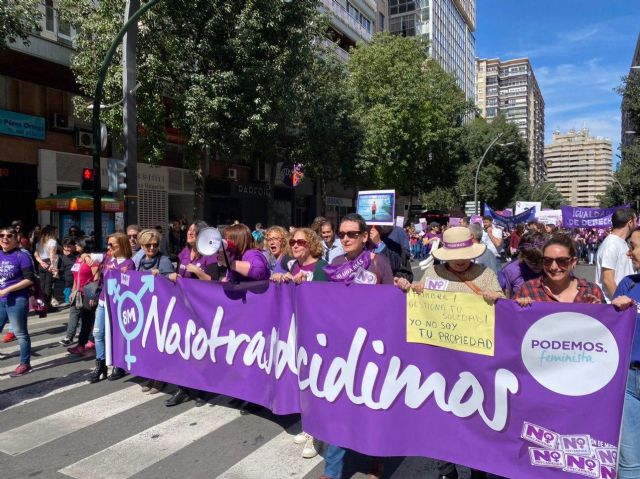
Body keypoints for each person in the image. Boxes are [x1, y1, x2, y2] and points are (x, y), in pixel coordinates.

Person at [319, 213, 410, 479]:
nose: (345, 238)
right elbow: (325, 303)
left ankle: (376, 463)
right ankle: (332, 471)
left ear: (363, 236)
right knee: (339, 408)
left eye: (352, 234)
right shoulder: (335, 262)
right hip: (342, 349)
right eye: (342, 234)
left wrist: (401, 286)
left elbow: (390, 306)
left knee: (372, 409)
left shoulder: (378, 262)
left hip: (373, 349)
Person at [411, 226, 503, 479]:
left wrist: (496, 298)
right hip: (439, 362)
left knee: (476, 420)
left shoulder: (484, 274)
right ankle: (446, 470)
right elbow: (420, 306)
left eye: (465, 256)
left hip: (476, 362)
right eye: (454, 258)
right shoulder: (433, 272)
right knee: (441, 419)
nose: (461, 262)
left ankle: (478, 469)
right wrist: (415, 289)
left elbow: (504, 310)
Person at [271, 227, 328, 459]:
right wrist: (279, 278)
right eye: (292, 241)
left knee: (317, 382)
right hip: (298, 332)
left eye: (300, 242)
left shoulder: (323, 268)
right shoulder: (292, 266)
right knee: (303, 380)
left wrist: (308, 287)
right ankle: (308, 426)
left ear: (311, 244)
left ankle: (319, 434)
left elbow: (330, 301)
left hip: (319, 335)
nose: (294, 245)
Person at [163, 221, 219, 405]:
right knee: (184, 346)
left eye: (195, 231)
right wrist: (172, 276)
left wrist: (198, 272)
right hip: (184, 307)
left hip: (203, 309)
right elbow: (180, 275)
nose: (190, 232)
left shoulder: (209, 255)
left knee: (201, 348)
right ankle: (183, 388)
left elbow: (214, 282)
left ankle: (204, 388)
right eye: (189, 230)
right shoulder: (184, 253)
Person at [609, 227, 640, 478]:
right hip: (628, 382)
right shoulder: (627, 284)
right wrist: (613, 310)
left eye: (634, 247)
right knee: (629, 460)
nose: (630, 253)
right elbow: (608, 333)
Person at [89, 232, 134, 383]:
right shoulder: (108, 258)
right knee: (98, 333)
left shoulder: (128, 263)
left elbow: (130, 284)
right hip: (103, 301)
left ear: (121, 245)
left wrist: (125, 276)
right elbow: (86, 257)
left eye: (111, 244)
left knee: (117, 334)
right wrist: (86, 258)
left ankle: (119, 364)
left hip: (118, 304)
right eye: (107, 244)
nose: (108, 247)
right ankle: (100, 364)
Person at [515, 233, 605, 305]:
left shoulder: (592, 291)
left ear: (573, 262)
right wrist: (519, 306)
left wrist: (617, 308)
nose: (553, 267)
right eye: (547, 260)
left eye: (561, 261)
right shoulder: (528, 289)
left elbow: (607, 323)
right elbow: (512, 323)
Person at [137, 228, 175, 394]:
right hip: (144, 309)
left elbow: (172, 283)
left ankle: (161, 378)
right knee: (148, 346)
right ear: (142, 246)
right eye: (148, 245)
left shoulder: (164, 260)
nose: (152, 248)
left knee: (159, 346)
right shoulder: (140, 261)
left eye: (155, 245)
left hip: (160, 310)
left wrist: (162, 276)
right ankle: (151, 375)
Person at [0, 225, 35, 376]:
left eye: (9, 236)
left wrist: (7, 289)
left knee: (20, 333)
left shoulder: (22, 255)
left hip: (17, 299)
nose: (4, 238)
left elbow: (29, 279)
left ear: (16, 239)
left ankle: (25, 363)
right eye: (2, 235)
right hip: (1, 299)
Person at [66, 239, 100, 356]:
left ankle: (83, 344)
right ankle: (87, 341)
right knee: (81, 317)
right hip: (78, 293)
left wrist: (93, 295)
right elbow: (76, 277)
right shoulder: (79, 258)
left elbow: (96, 277)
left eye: (78, 244)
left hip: (88, 293)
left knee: (87, 320)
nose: (75, 245)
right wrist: (73, 291)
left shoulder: (90, 259)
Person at [595, 207, 636, 302]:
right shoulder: (611, 244)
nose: (637, 224)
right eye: (636, 221)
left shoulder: (621, 242)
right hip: (615, 306)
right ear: (630, 223)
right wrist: (620, 302)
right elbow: (608, 280)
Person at [498, 231, 546, 298]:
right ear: (523, 256)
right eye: (531, 261)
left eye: (541, 260)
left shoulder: (551, 269)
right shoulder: (510, 270)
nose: (537, 265)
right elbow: (504, 297)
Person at [33, 225, 59, 308]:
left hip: (41, 263)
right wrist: (53, 265)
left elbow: (36, 254)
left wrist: (41, 262)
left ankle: (41, 304)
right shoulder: (52, 241)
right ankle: (47, 305)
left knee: (41, 285)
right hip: (49, 262)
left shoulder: (39, 242)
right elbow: (52, 254)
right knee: (48, 285)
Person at [59, 237, 78, 306]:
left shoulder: (77, 254)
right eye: (65, 247)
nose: (67, 248)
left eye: (69, 247)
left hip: (76, 278)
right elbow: (62, 267)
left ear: (74, 246)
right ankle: (68, 300)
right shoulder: (63, 257)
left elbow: (75, 261)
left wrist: (70, 255)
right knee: (68, 290)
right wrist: (58, 271)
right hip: (68, 278)